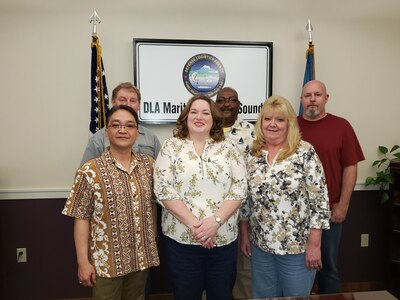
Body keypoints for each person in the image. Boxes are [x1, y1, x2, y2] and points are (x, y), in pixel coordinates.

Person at [154, 94, 247, 300]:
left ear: (213, 118)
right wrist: (197, 226)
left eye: (205, 112)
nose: (199, 116)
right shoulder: (171, 147)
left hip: (222, 240)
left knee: (221, 295)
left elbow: (240, 188)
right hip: (182, 241)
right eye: (194, 112)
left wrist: (214, 222)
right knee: (186, 295)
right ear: (185, 117)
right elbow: (163, 189)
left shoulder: (229, 147)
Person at [62, 105, 160, 300]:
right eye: (116, 125)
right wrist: (83, 262)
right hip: (107, 263)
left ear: (137, 133)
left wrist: (153, 240)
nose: (122, 130)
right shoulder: (89, 171)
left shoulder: (149, 166)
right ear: (107, 132)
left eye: (129, 126)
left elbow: (153, 205)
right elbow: (81, 217)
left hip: (140, 259)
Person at [240, 95, 331, 298]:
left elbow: (320, 201)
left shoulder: (304, 152)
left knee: (296, 296)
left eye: (280, 120)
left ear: (289, 123)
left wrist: (315, 245)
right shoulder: (251, 153)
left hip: (297, 248)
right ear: (260, 121)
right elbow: (245, 198)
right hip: (260, 245)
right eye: (267, 119)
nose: (273, 124)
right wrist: (245, 233)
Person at [298, 80, 365, 294]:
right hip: (295, 214)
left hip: (330, 210)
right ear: (301, 100)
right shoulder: (290, 126)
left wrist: (343, 204)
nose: (312, 99)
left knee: (328, 267)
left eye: (317, 94)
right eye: (307, 95)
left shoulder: (341, 126)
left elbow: (350, 167)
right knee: (297, 268)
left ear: (326, 98)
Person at [215, 87, 255, 299]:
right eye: (221, 100)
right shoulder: (206, 131)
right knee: (214, 272)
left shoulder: (252, 132)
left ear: (239, 105)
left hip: (244, 214)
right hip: (213, 217)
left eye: (232, 100)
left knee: (245, 268)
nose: (226, 104)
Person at [81, 82, 161, 164]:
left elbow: (161, 170)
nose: (128, 105)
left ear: (139, 105)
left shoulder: (151, 137)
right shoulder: (98, 139)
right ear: (113, 102)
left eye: (133, 101)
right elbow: (87, 171)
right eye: (122, 100)